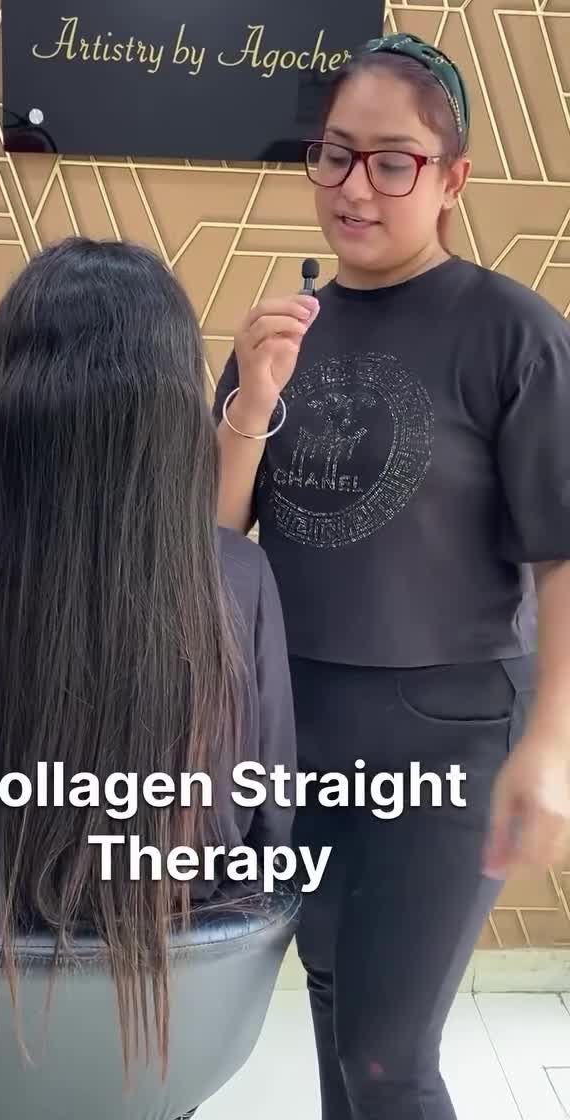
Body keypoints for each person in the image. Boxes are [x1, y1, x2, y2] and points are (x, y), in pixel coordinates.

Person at [213, 32, 570, 1120]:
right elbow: (215, 544)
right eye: (333, 154)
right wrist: (247, 408)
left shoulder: (513, 333)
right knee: (329, 993)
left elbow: (561, 552)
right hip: (294, 724)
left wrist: (553, 745)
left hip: (451, 733)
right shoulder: (281, 333)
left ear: (452, 178)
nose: (354, 186)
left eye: (393, 160)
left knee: (387, 1053)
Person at [0, 238, 297, 1098]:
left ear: (9, 401)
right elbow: (267, 822)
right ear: (174, 413)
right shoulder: (238, 576)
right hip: (175, 1022)